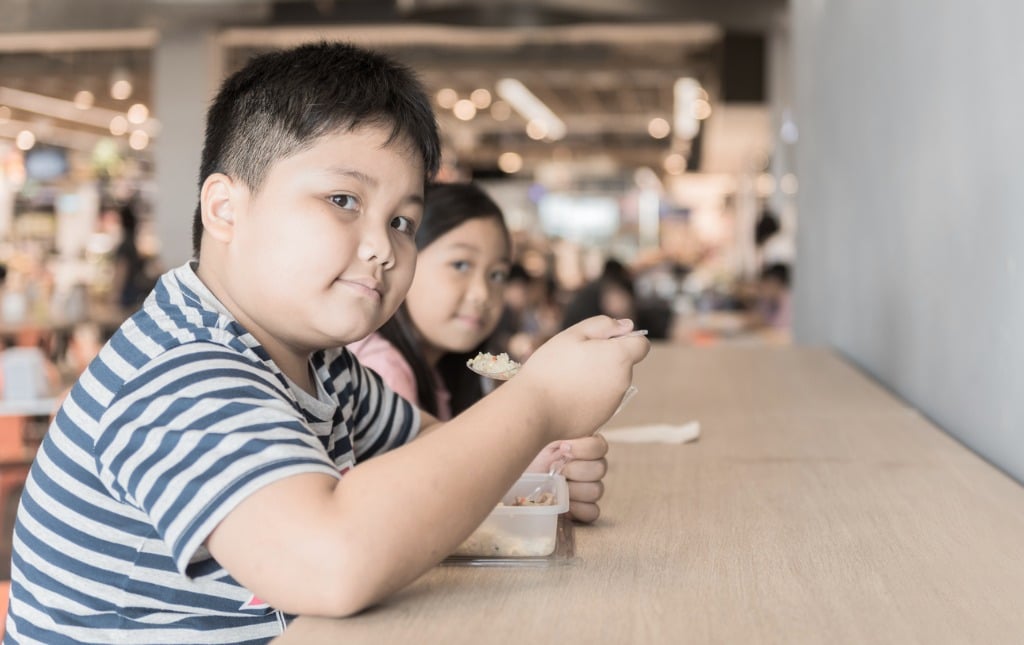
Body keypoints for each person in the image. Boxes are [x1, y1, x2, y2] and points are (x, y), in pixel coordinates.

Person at [4, 41, 648, 643]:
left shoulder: (322, 363)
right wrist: (536, 404)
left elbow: (428, 450)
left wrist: (532, 465)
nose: (381, 247)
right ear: (225, 209)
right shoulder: (179, 372)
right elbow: (329, 563)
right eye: (342, 199)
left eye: (402, 222)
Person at [348, 182, 607, 521]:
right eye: (460, 265)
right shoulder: (382, 369)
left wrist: (540, 466)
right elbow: (406, 506)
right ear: (402, 257)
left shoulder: (447, 370)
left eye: (497, 274)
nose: (482, 293)